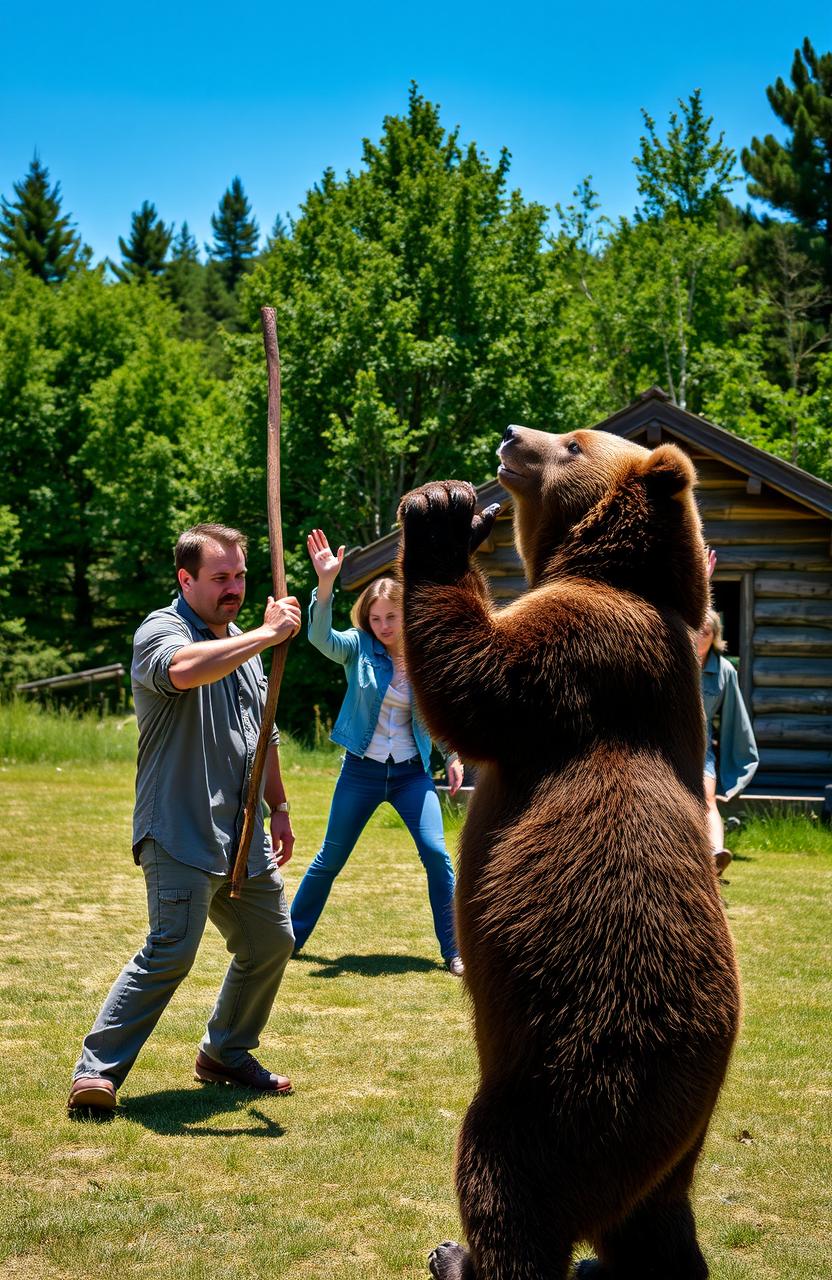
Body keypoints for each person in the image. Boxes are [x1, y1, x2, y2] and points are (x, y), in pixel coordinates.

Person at [68, 523, 302, 1111]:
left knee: (271, 940)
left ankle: (225, 1051)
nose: (234, 588)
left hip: (240, 833)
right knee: (171, 947)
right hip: (178, 828)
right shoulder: (162, 629)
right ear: (186, 578)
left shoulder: (246, 651)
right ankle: (95, 1073)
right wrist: (265, 635)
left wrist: (279, 806)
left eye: (240, 576)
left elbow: (264, 733)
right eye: (220, 577)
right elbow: (183, 670)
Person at [290, 528, 465, 974]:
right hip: (361, 772)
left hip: (412, 775)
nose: (383, 626)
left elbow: (439, 714)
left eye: (391, 616)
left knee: (437, 855)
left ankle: (456, 950)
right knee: (329, 859)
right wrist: (325, 582)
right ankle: (287, 940)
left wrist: (454, 755)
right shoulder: (358, 648)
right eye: (375, 618)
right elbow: (320, 637)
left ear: (406, 614)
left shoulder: (429, 656)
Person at [696, 606, 759, 876]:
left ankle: (715, 855)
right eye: (696, 630)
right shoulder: (673, 660)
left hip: (701, 749)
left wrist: (738, 770)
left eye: (706, 632)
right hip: (669, 745)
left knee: (708, 798)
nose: (700, 637)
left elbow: (736, 718)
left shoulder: (724, 671)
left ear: (715, 636)